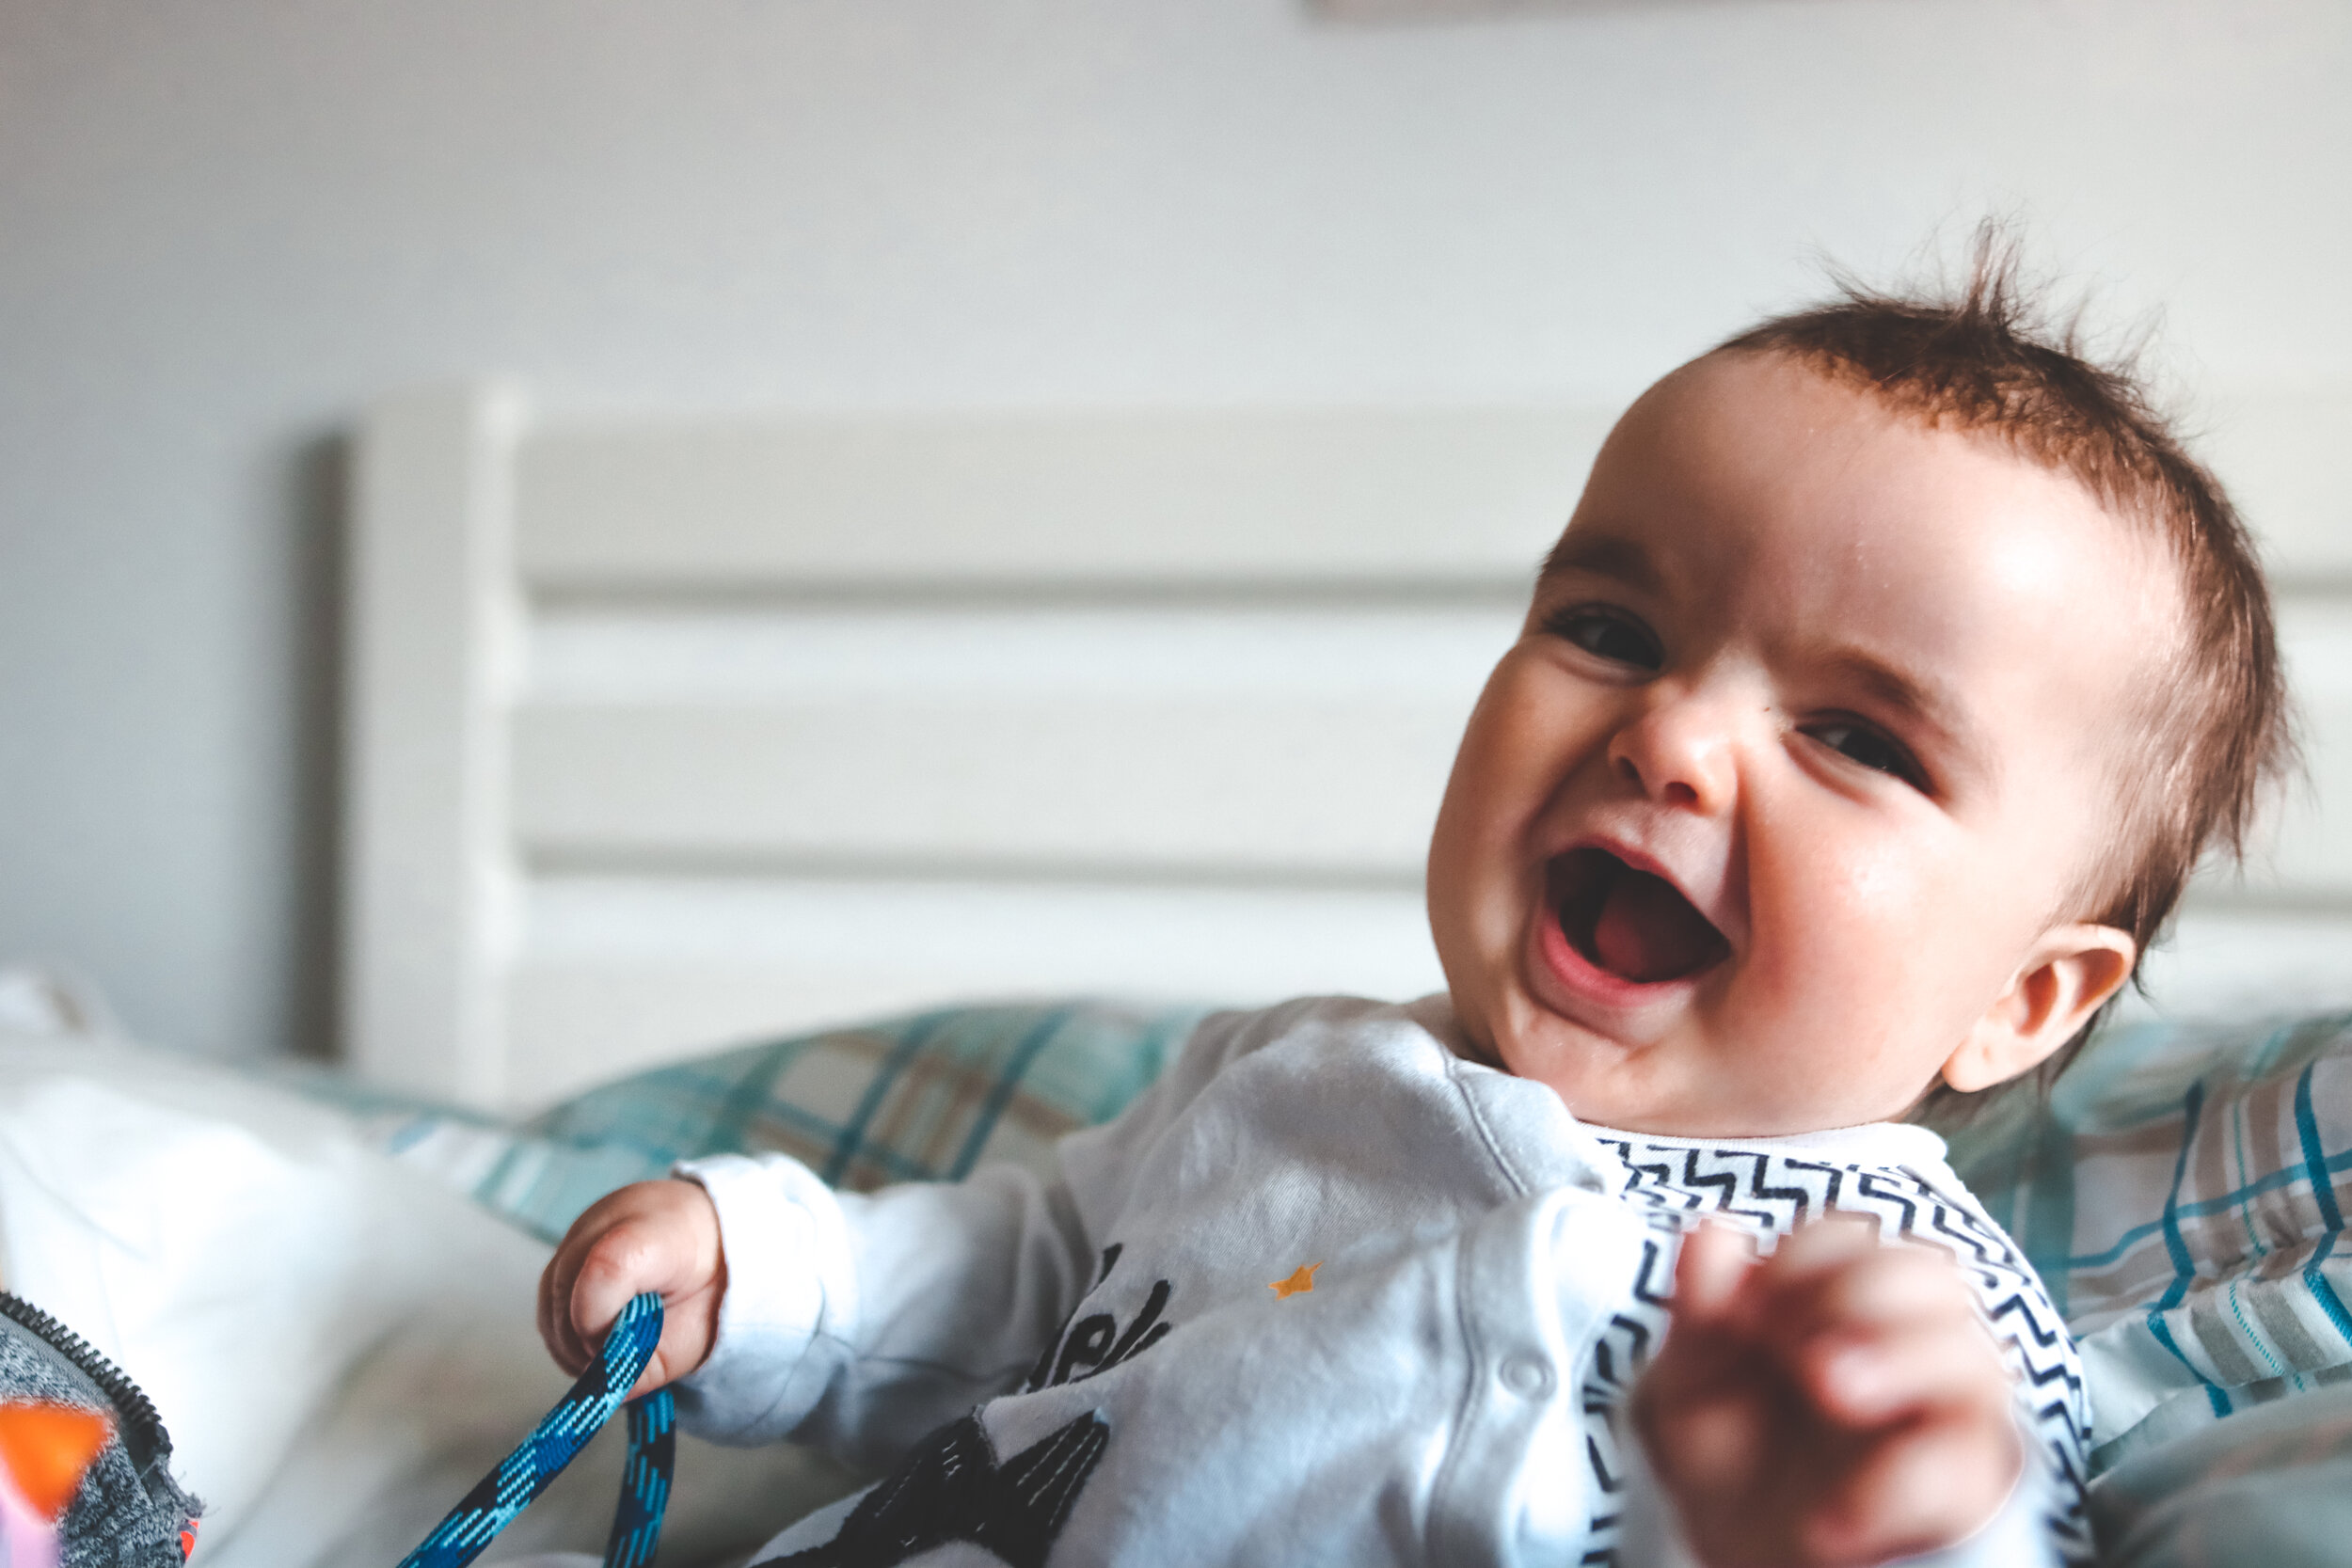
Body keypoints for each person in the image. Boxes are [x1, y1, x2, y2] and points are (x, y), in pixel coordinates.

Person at [532, 245, 2293, 1568]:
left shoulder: (1892, 1311)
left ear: (2029, 1001)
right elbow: (1028, 1271)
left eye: (1853, 736)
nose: (1670, 734)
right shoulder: (1283, 1082)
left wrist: (1845, 1519)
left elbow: (1986, 1517)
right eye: (1609, 631)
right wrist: (767, 1274)